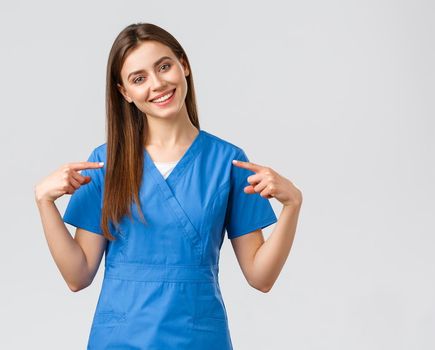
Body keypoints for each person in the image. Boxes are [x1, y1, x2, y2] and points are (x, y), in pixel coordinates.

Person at [33, 22, 302, 349]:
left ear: (183, 65)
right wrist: (44, 202)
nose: (158, 84)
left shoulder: (228, 162)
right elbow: (78, 276)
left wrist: (292, 205)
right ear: (125, 93)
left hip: (198, 337)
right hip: (120, 339)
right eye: (139, 78)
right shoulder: (106, 164)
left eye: (164, 66)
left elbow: (261, 278)